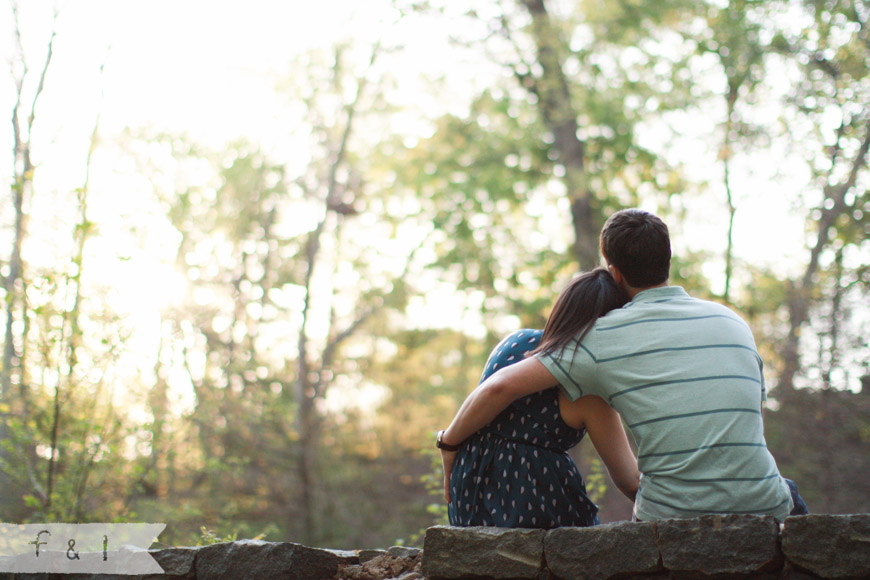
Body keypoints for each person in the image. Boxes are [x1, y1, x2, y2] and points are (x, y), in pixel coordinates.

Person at [438, 208, 807, 522]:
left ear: (614, 273)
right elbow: (745, 417)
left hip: (669, 515)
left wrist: (449, 444)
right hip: (764, 505)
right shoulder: (731, 321)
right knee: (788, 498)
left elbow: (500, 386)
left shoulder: (599, 337)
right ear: (667, 260)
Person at [438, 268, 640, 528]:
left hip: (469, 490)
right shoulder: (587, 390)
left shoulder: (515, 343)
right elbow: (629, 479)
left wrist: (448, 443)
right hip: (532, 499)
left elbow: (491, 394)